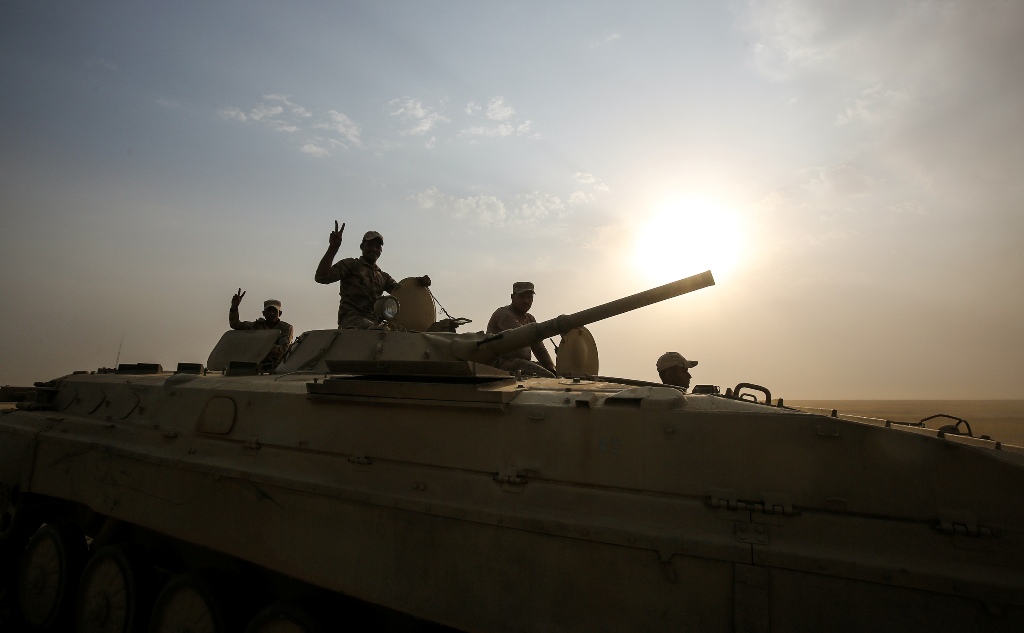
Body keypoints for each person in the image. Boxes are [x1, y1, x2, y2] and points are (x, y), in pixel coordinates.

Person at [315, 221, 431, 329]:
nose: (374, 249)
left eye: (378, 246)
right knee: (378, 330)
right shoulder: (351, 265)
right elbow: (322, 277)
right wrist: (333, 248)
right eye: (370, 245)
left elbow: (402, 294)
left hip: (376, 321)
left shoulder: (383, 277)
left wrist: (418, 283)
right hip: (352, 320)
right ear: (362, 247)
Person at [486, 282, 557, 378]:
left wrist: (550, 366)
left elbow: (539, 348)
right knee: (547, 376)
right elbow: (527, 336)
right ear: (512, 297)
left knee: (555, 372)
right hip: (500, 363)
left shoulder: (530, 318)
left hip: (520, 363)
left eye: (529, 297)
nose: (526, 301)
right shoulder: (505, 315)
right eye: (522, 297)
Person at [229, 289, 294, 367]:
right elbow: (235, 325)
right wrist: (234, 308)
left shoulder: (285, 328)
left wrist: (263, 344)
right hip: (255, 364)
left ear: (280, 313)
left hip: (276, 367)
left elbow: (284, 349)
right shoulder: (257, 325)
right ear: (264, 313)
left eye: (274, 311)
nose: (271, 313)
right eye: (269, 311)